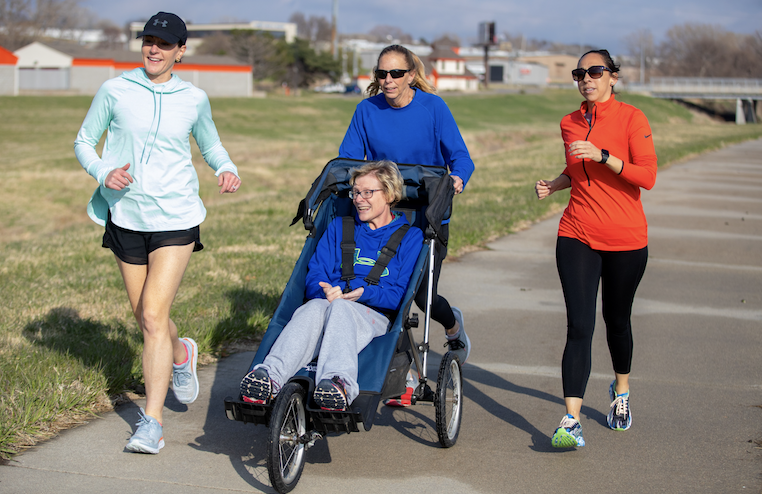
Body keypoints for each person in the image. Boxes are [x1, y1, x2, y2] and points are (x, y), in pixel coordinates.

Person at [74, 12, 241, 454]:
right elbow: (83, 142)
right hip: (126, 215)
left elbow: (210, 144)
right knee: (147, 316)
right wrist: (103, 170)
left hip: (177, 215)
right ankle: (182, 351)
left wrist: (225, 167)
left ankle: (152, 422)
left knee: (151, 314)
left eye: (164, 44)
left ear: (180, 51)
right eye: (149, 40)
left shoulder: (194, 98)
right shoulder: (115, 89)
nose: (154, 49)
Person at [338, 45, 475, 406]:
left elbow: (460, 157)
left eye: (396, 74)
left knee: (422, 294)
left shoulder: (434, 108)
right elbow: (349, 159)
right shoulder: (366, 110)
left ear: (411, 75)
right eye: (382, 74)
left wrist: (457, 178)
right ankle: (404, 371)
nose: (388, 81)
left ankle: (453, 326)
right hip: (384, 215)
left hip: (426, 212)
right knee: (384, 285)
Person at [534, 49, 657, 448]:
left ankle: (621, 392)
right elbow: (577, 167)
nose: (586, 78)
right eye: (580, 73)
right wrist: (556, 183)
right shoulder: (569, 122)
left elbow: (647, 176)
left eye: (595, 71)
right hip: (577, 233)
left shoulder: (632, 119)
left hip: (626, 238)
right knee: (579, 326)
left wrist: (605, 156)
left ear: (613, 77)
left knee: (616, 321)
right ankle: (571, 420)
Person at [239, 161, 423, 411]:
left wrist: (363, 293)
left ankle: (340, 382)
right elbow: (316, 274)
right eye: (356, 192)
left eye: (368, 192)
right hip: (330, 303)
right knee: (313, 307)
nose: (359, 199)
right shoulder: (339, 227)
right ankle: (269, 376)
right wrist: (324, 291)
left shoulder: (410, 237)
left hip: (374, 314)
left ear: (390, 195)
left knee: (341, 309)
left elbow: (398, 295)